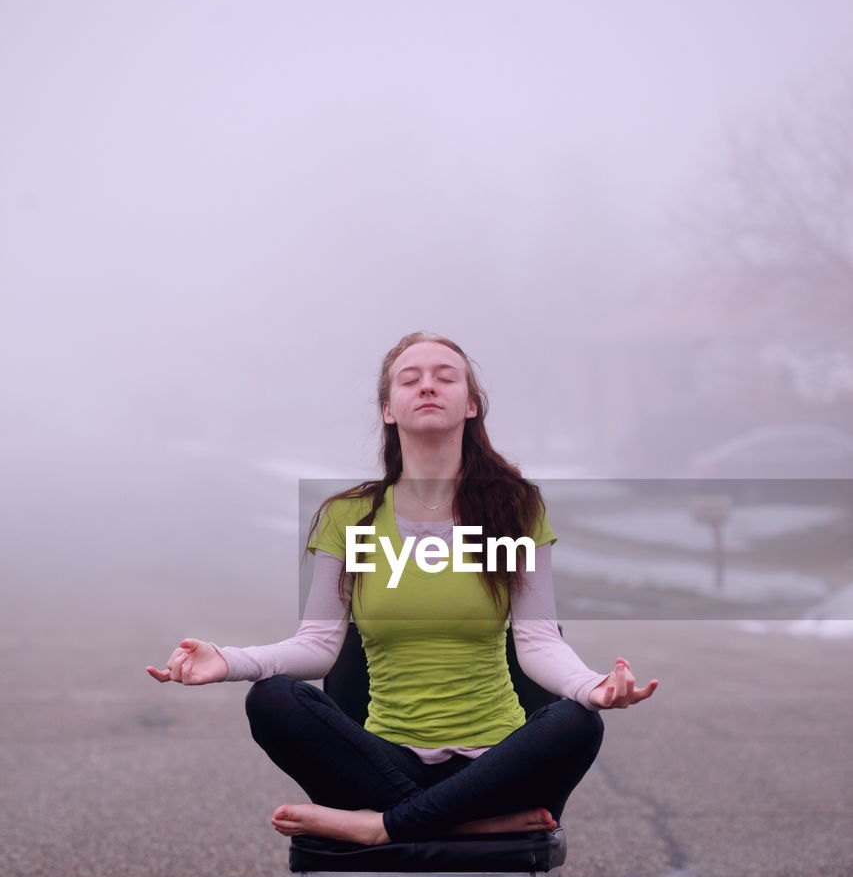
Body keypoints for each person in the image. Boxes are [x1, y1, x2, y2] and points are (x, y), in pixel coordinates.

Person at [147, 332, 658, 846]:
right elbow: (318, 647)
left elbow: (539, 641)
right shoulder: (348, 517)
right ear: (389, 409)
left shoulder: (516, 509)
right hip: (385, 766)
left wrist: (590, 686)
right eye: (410, 379)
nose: (428, 386)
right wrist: (227, 660)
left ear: (472, 405)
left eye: (445, 376)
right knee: (272, 699)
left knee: (577, 722)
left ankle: (383, 828)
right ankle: (467, 823)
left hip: (496, 765)